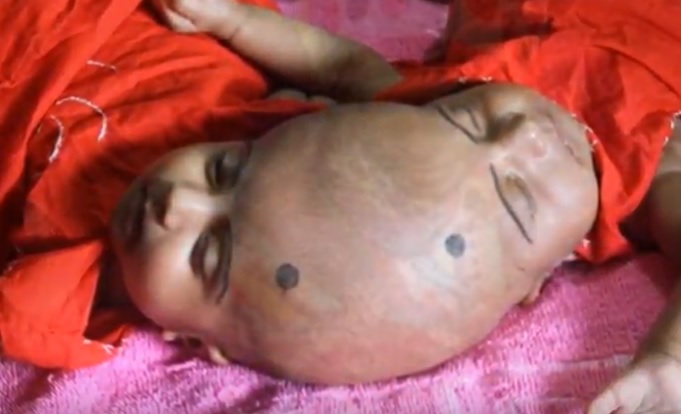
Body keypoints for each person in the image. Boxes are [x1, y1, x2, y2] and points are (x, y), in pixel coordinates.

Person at [112, 0, 681, 413]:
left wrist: (234, 21)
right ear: (537, 279)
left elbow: (337, 65)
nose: (525, 135)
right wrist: (669, 359)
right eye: (519, 196)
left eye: (465, 116)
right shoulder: (652, 171)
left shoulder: (417, 114)